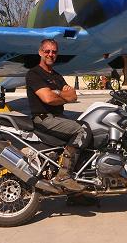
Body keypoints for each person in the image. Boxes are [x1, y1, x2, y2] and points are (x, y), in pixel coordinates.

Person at [25, 39, 87, 192]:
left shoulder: (57, 76)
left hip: (58, 117)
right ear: (40, 52)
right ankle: (63, 176)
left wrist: (59, 94)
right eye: (47, 51)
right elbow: (48, 99)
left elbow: (73, 97)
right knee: (82, 130)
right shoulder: (34, 74)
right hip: (44, 118)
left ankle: (77, 194)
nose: (50, 54)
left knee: (87, 130)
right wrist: (61, 94)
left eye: (54, 52)